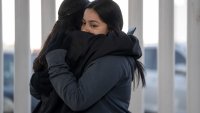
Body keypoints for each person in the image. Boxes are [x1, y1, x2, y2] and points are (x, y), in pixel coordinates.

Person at [44, 0, 146, 113]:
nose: (85, 29)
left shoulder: (113, 60)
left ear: (111, 28)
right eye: (83, 23)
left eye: (93, 25)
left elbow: (77, 100)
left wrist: (55, 60)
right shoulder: (94, 54)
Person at [30, 0, 89, 113]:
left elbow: (36, 91)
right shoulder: (81, 44)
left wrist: (35, 82)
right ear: (81, 20)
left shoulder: (53, 40)